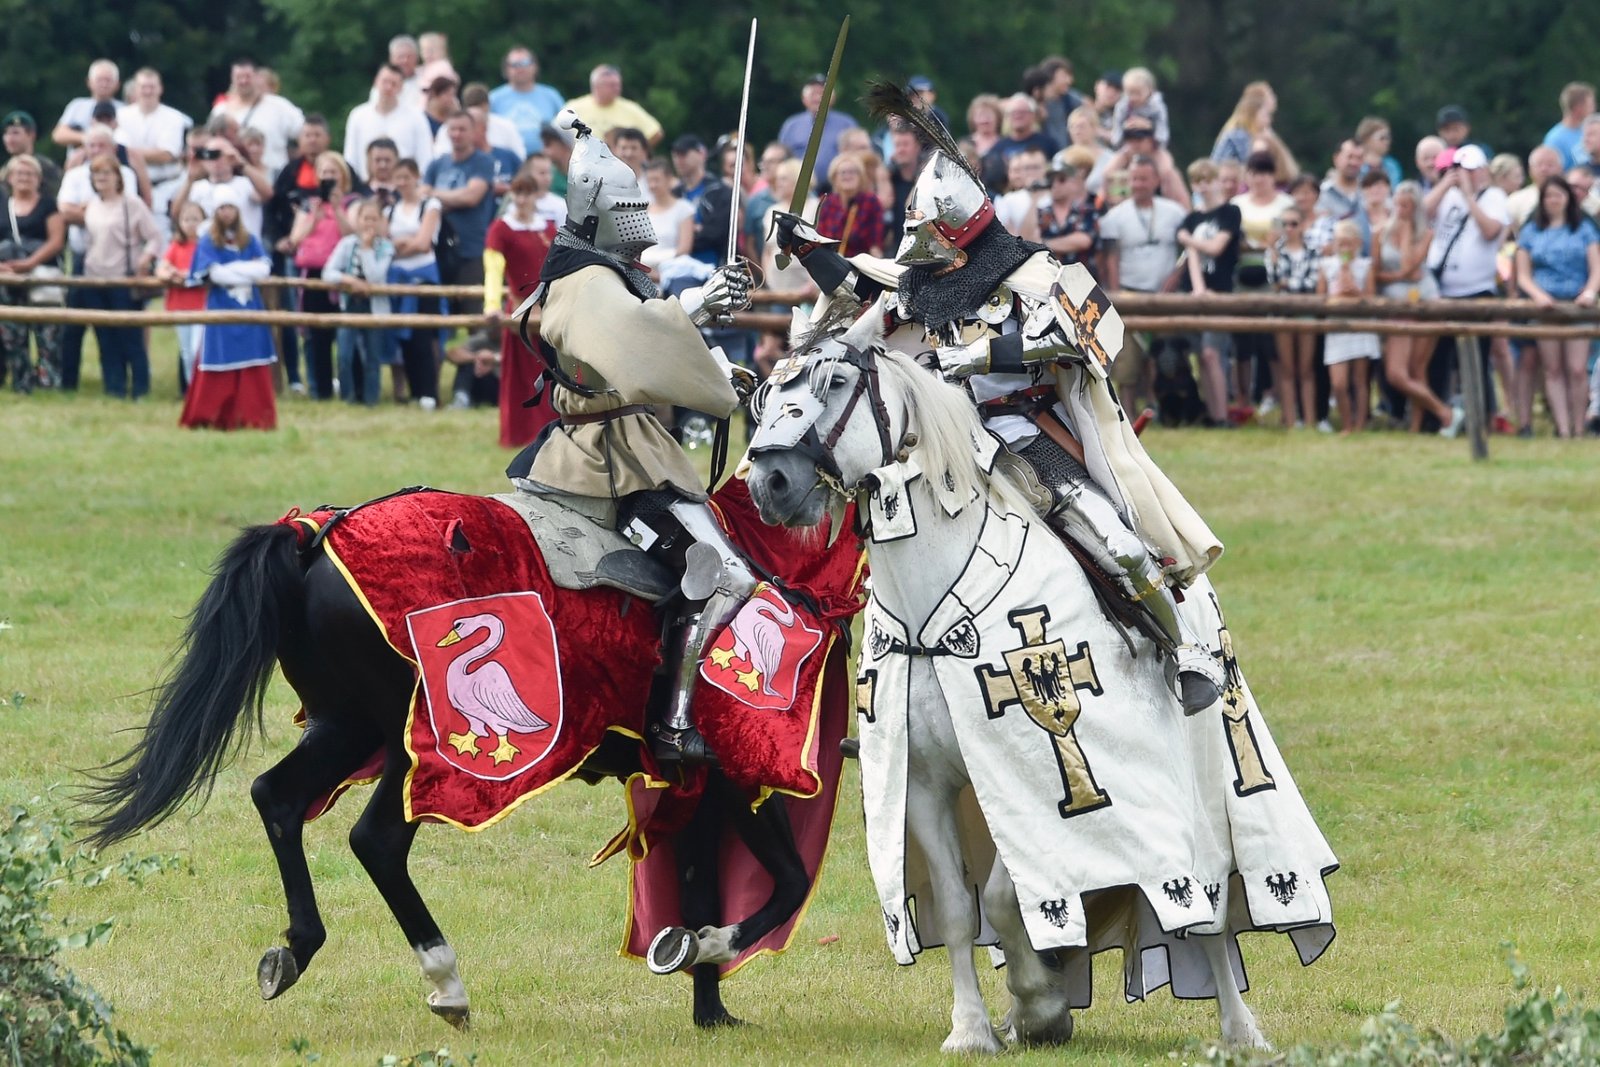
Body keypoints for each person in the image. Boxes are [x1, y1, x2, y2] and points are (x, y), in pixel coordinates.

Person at [775, 90, 1228, 717]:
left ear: (960, 232)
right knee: (875, 526)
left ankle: (1182, 650)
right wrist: (808, 248)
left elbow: (1083, 338)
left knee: (1107, 533)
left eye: (930, 235)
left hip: (1021, 425)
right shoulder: (924, 282)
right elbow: (860, 290)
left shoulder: (1036, 273)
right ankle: (891, 688)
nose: (919, 251)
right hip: (939, 437)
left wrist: (981, 358)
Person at [514, 111, 756, 766]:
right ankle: (673, 721)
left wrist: (715, 361)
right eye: (630, 208)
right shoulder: (588, 282)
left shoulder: (593, 271)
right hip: (611, 460)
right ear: (604, 215)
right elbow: (637, 342)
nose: (641, 221)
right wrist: (699, 305)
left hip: (627, 439)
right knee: (726, 575)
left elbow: (637, 348)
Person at [1424, 144, 1510, 426]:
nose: (1464, 176)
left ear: (1482, 171)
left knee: (1477, 359)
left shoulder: (1494, 196)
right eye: (1460, 171)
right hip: (1444, 292)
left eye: (1470, 171)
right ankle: (1438, 419)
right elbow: (1422, 212)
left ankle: (1481, 419)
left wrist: (1470, 197)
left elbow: (1489, 231)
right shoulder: (1447, 195)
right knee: (1438, 357)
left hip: (1478, 291)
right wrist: (1445, 184)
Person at [181, 185, 276, 429]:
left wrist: (231, 270)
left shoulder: (250, 239)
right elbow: (213, 274)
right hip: (221, 310)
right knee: (219, 360)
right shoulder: (208, 241)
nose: (226, 213)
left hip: (249, 310)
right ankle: (212, 416)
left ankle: (253, 417)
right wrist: (245, 270)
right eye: (222, 208)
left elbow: (263, 269)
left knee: (252, 361)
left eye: (231, 207)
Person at [1515, 176, 1600, 438]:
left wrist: (1589, 292)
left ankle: (1578, 426)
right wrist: (1538, 296)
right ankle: (1562, 428)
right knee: (1552, 369)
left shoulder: (1584, 229)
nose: (1554, 200)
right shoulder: (1531, 231)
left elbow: (1596, 268)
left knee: (1576, 368)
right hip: (1546, 306)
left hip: (1577, 305)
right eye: (1549, 196)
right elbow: (1523, 274)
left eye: (1558, 195)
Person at [1374, 180, 1459, 435]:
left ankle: (1416, 425)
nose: (1402, 210)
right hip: (1397, 306)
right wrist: (1401, 275)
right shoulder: (1380, 233)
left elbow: (1411, 263)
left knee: (1417, 368)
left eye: (1408, 206)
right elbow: (1378, 273)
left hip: (1425, 301)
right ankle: (1445, 412)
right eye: (1399, 204)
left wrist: (1408, 230)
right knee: (1396, 374)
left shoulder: (1426, 234)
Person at [484, 172, 558, 446]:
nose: (522, 199)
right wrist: (492, 306)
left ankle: (552, 430)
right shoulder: (501, 228)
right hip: (519, 308)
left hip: (549, 309)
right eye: (518, 192)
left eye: (527, 192)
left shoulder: (548, 228)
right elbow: (493, 270)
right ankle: (520, 433)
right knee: (521, 376)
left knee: (550, 370)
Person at [80, 156, 161, 398]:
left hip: (123, 278)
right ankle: (113, 387)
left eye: (106, 173)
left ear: (118, 177)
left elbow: (155, 237)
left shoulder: (132, 204)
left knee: (130, 338)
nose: (101, 178)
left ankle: (139, 388)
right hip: (94, 277)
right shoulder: (92, 204)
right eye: (96, 174)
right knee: (105, 337)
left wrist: (144, 260)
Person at [284, 151, 357, 398]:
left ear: (343, 177)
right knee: (316, 336)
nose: (328, 177)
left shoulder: (353, 204)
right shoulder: (309, 205)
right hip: (314, 274)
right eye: (324, 173)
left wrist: (337, 210)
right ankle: (320, 389)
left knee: (346, 334)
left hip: (343, 274)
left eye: (333, 172)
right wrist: (313, 220)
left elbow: (353, 236)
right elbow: (295, 240)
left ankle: (349, 387)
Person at [1178, 159, 1242, 425]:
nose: (1204, 186)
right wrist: (1198, 289)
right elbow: (1192, 258)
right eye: (1198, 181)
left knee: (1212, 353)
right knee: (1201, 357)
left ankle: (1222, 414)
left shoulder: (1230, 212)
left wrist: (1186, 238)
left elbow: (1216, 248)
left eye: (1208, 179)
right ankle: (1211, 412)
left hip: (1222, 289)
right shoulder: (1192, 217)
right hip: (1196, 290)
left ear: (1218, 180)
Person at [1232, 150, 1294, 413]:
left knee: (1272, 340)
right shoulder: (1237, 204)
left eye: (1265, 173)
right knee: (1242, 340)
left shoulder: (1285, 204)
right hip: (1242, 276)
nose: (1260, 179)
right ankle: (1243, 398)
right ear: (1248, 176)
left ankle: (1275, 393)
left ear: (1273, 176)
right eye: (1255, 173)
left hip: (1273, 277)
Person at [322, 198, 396, 406]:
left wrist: (366, 248)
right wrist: (349, 280)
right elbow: (328, 272)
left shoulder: (386, 248)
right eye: (365, 218)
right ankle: (348, 396)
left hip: (374, 307)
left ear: (381, 221)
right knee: (344, 355)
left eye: (374, 219)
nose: (369, 224)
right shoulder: (346, 244)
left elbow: (374, 276)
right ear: (358, 220)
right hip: (350, 304)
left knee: (373, 356)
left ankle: (371, 398)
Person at [0, 155, 65, 391]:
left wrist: (29, 263)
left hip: (41, 274)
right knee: (13, 334)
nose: (24, 178)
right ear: (9, 178)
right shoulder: (1, 204)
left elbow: (56, 241)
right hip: (6, 280)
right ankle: (21, 382)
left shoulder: (48, 204)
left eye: (29, 174)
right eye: (19, 174)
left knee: (47, 331)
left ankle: (48, 381)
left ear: (38, 178)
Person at [386, 157, 442, 407]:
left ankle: (430, 391)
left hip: (424, 278)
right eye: (398, 177)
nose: (402, 183)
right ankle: (412, 390)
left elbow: (423, 242)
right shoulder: (389, 211)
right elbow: (385, 244)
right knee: (404, 338)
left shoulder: (430, 205)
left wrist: (399, 247)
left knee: (425, 336)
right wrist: (404, 245)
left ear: (416, 177)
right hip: (398, 280)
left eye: (406, 177)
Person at [1317, 220, 1377, 434]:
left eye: (1349, 244)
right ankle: (1346, 422)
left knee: (1360, 380)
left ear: (1358, 244)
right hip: (1336, 326)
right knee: (1339, 383)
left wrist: (1356, 293)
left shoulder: (1365, 266)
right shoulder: (1326, 266)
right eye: (1341, 244)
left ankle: (1359, 424)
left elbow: (1371, 298)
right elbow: (1320, 298)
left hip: (1361, 326)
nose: (1345, 249)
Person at [1267, 206, 1320, 429]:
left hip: (1306, 312)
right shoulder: (1274, 251)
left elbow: (1312, 283)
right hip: (1283, 313)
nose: (1289, 229)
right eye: (1285, 224)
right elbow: (1275, 280)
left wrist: (1289, 284)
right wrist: (1290, 284)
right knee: (1287, 369)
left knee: (1306, 368)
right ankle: (1290, 420)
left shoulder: (1312, 251)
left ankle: (1309, 420)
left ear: (1303, 225)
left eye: (1294, 224)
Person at [209, 58, 304, 177]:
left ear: (256, 77)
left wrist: (298, 166)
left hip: (274, 177)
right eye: (239, 77)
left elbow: (304, 133)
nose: (243, 81)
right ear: (232, 79)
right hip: (234, 180)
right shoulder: (220, 110)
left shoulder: (279, 106)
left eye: (247, 76)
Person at [344, 65, 434, 181]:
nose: (388, 87)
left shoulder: (416, 117)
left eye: (394, 84)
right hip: (366, 187)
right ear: (376, 81)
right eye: (385, 82)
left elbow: (425, 158)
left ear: (401, 87)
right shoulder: (358, 116)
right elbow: (351, 157)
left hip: (404, 188)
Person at [170, 135, 271, 237]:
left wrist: (242, 164)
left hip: (245, 248)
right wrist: (190, 179)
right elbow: (176, 213)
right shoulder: (197, 187)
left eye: (220, 155)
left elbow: (268, 194)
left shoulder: (245, 183)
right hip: (208, 249)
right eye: (211, 155)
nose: (216, 161)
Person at [155, 200, 209, 390]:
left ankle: (203, 388)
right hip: (181, 305)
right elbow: (162, 267)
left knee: (198, 350)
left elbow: (206, 270)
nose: (191, 223)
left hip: (202, 305)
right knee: (186, 351)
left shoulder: (207, 246)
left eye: (196, 219)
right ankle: (191, 388)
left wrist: (186, 275)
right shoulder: (176, 246)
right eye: (186, 219)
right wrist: (170, 274)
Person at [777, 73, 860, 185]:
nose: (817, 98)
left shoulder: (847, 124)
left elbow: (858, 156)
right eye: (812, 94)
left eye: (822, 94)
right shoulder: (791, 126)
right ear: (804, 99)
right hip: (799, 188)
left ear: (833, 98)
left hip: (838, 188)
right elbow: (781, 159)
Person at [116, 69, 192, 190]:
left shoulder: (174, 117)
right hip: (130, 185)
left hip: (166, 185)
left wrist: (129, 153)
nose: (147, 91)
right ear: (135, 89)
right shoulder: (121, 115)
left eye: (152, 87)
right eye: (143, 87)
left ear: (160, 88)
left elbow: (166, 155)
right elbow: (118, 151)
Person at [491, 46, 565, 157]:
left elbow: (566, 128)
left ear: (535, 66)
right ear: (506, 69)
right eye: (515, 65)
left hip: (546, 161)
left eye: (525, 63)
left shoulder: (551, 96)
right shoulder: (494, 99)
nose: (520, 68)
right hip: (508, 162)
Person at [566, 65, 663, 147]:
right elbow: (556, 135)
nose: (617, 88)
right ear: (597, 86)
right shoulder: (575, 107)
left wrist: (637, 152)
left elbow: (655, 133)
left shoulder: (630, 108)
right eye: (612, 85)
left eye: (618, 85)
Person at [814, 151, 883, 258]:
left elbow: (875, 244)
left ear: (861, 177)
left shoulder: (870, 201)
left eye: (852, 172)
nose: (847, 176)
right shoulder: (827, 202)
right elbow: (819, 239)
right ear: (834, 178)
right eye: (843, 172)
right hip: (831, 263)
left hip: (861, 263)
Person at [51, 59, 125, 149]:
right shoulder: (77, 106)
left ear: (117, 84)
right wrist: (88, 138)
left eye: (108, 80)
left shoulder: (124, 110)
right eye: (99, 80)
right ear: (89, 82)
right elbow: (58, 135)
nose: (104, 84)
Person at [1037, 161, 1097, 267]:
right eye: (1051, 180)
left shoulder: (1086, 210)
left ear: (1073, 182)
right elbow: (1029, 240)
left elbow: (1083, 241)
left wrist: (1044, 244)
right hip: (1048, 277)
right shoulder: (1041, 213)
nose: (1055, 185)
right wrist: (1034, 199)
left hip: (1082, 278)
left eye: (1061, 180)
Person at [3, 112, 63, 198]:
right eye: (6, 133)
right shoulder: (4, 169)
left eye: (15, 133)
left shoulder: (46, 167)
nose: (9, 139)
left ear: (31, 135)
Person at [1544, 83, 1595, 170]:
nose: (1593, 109)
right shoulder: (1555, 139)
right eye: (1590, 105)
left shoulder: (1590, 131)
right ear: (1578, 107)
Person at [1354, 116, 1403, 188]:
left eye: (1388, 138)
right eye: (1382, 138)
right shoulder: (1356, 166)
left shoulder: (1392, 166)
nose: (1387, 141)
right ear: (1367, 139)